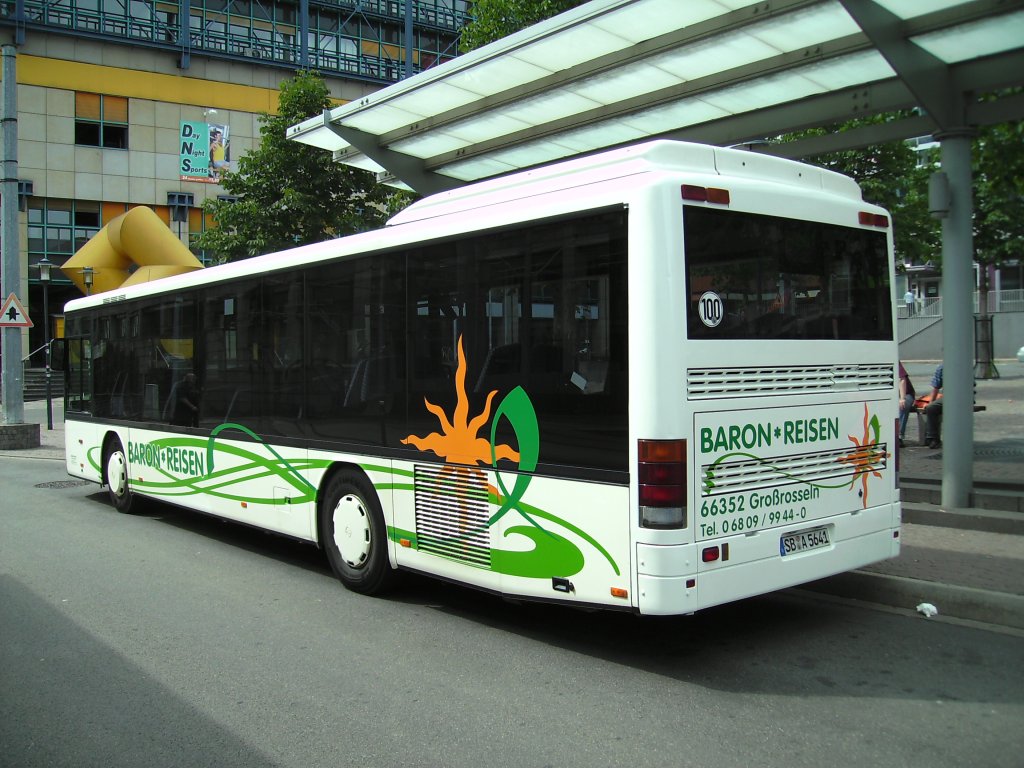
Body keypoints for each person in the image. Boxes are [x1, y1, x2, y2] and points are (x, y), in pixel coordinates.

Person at [923, 364, 943, 449]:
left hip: (965, 396)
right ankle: (933, 437)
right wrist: (930, 402)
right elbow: (936, 387)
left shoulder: (965, 364)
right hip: (949, 396)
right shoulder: (942, 368)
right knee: (931, 408)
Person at [898, 361, 915, 446]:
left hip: (906, 393)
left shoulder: (893, 358)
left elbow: (902, 379)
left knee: (902, 405)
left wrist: (902, 398)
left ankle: (899, 436)